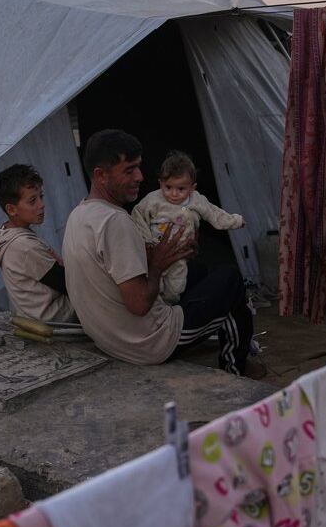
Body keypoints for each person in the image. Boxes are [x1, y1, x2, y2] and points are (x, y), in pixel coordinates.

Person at [63, 129, 255, 374]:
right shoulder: (115, 222)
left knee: (196, 271)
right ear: (101, 175)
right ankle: (235, 368)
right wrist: (157, 265)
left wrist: (169, 255)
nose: (140, 176)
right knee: (231, 279)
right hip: (148, 342)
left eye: (139, 167)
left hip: (110, 339)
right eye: (129, 170)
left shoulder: (79, 214)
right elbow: (139, 304)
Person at [131, 150, 245, 304]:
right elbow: (138, 216)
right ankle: (156, 308)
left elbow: (215, 214)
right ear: (160, 183)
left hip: (179, 255)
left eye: (181, 189)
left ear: (192, 187)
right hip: (155, 254)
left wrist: (236, 221)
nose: (173, 194)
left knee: (176, 287)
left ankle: (170, 306)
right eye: (168, 187)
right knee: (154, 285)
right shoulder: (153, 200)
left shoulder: (197, 201)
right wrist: (147, 241)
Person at [0, 164, 76, 324]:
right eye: (32, 201)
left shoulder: (8, 233)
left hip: (33, 316)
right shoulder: (24, 246)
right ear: (12, 210)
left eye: (41, 197)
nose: (41, 205)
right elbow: (67, 283)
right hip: (54, 319)